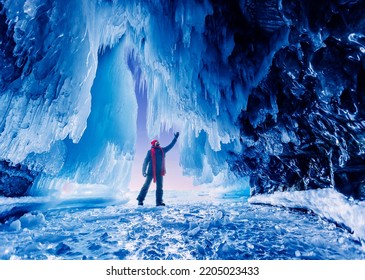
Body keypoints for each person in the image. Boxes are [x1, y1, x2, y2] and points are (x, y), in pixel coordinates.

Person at [137, 132, 180, 206]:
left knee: (159, 187)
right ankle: (140, 200)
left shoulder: (162, 150)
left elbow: (170, 146)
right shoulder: (150, 152)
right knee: (146, 186)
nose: (157, 143)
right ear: (153, 144)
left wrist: (175, 138)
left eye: (158, 142)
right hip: (150, 172)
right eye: (156, 142)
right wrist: (143, 171)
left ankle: (159, 202)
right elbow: (146, 161)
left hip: (160, 172)